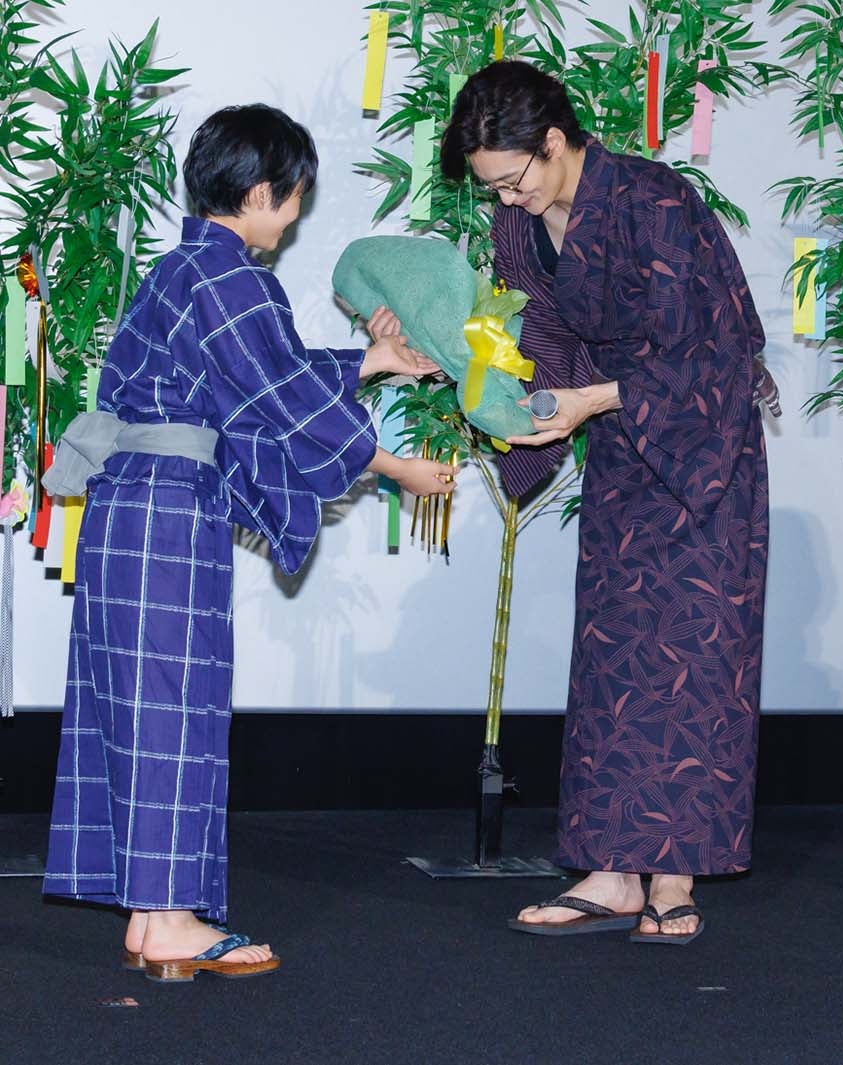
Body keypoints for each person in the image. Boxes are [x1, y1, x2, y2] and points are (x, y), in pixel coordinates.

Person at [41, 104, 454, 981]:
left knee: (145, 707)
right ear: (262, 191)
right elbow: (276, 400)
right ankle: (176, 918)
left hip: (130, 508)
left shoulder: (184, 269)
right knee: (174, 708)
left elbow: (256, 372)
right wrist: (391, 467)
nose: (296, 217)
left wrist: (370, 363)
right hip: (164, 514)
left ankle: (155, 920)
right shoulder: (231, 279)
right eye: (295, 199)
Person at [441, 62, 775, 944]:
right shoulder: (520, 225)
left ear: (554, 143)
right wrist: (518, 402)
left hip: (703, 449)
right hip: (625, 446)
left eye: (512, 178)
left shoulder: (653, 200)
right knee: (618, 659)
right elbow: (537, 331)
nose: (506, 201)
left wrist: (595, 399)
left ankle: (673, 876)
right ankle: (611, 871)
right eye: (491, 187)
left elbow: (718, 348)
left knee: (696, 660)